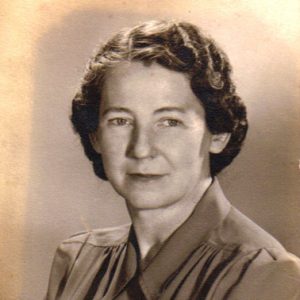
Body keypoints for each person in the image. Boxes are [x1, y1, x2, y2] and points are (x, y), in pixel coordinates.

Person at [46, 20, 300, 299]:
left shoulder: (266, 275)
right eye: (120, 121)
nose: (141, 149)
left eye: (169, 122)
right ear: (95, 136)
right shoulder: (77, 261)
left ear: (218, 133)